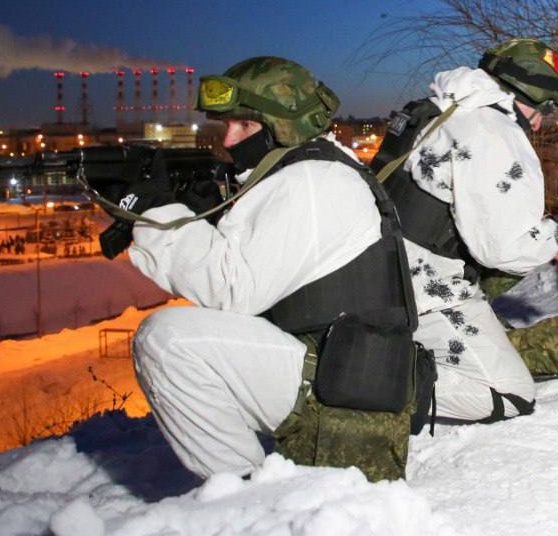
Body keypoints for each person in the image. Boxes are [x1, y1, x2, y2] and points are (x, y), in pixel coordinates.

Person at [118, 56, 422, 482]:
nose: (228, 138)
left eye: (243, 126)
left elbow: (230, 290)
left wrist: (158, 216)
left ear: (282, 125)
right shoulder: (312, 170)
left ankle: (242, 496)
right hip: (340, 373)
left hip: (340, 396)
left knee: (167, 340)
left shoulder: (312, 182)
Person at [369, 38, 558, 423]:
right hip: (422, 287)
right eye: (547, 105)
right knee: (508, 394)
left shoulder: (439, 110)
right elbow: (503, 247)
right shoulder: (492, 130)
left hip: (381, 268)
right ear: (530, 96)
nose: (544, 118)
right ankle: (358, 377)